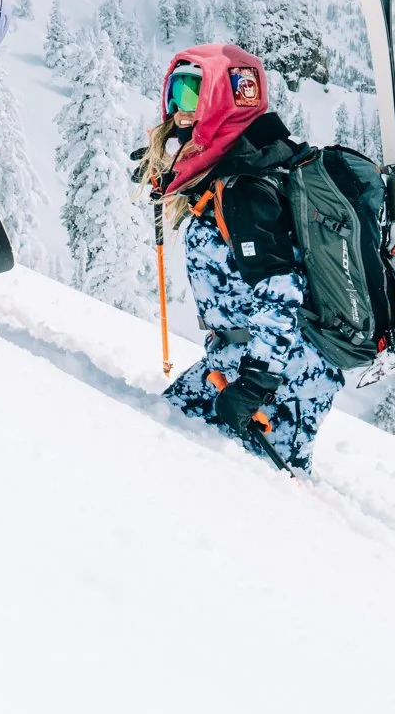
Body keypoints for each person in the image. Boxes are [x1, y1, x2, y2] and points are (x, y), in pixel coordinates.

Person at [141, 45, 344, 472]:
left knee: (260, 496)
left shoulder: (246, 189)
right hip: (236, 363)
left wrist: (255, 385)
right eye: (175, 91)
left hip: (282, 380)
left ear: (222, 101)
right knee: (158, 437)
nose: (179, 109)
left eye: (193, 93)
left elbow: (281, 294)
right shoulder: (235, 170)